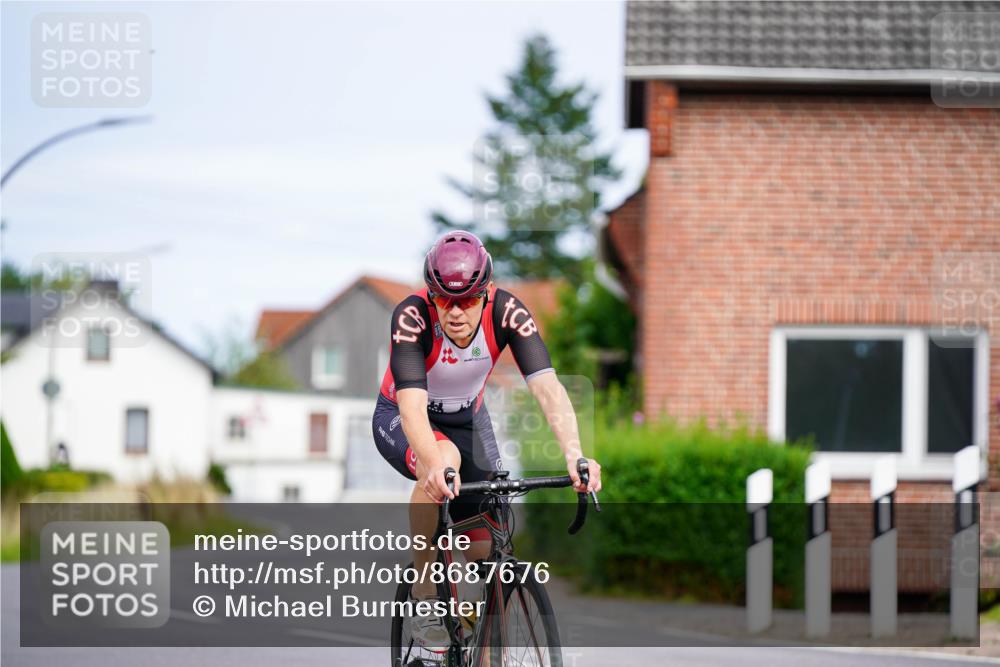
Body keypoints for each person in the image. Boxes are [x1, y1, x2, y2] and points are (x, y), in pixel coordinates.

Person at [372, 230, 602, 651]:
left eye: (468, 300)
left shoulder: (509, 313)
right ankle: (425, 593)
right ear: (431, 295)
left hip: (468, 420)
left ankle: (484, 646)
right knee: (442, 459)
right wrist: (435, 465)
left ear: (487, 292)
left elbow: (549, 389)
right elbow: (411, 409)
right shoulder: (411, 317)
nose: (455, 312)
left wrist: (575, 455)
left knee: (489, 556)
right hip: (405, 417)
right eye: (444, 299)